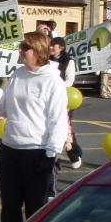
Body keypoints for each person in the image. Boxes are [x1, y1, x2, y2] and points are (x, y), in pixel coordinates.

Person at [0, 32, 68, 222]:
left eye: (25, 47)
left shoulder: (52, 81)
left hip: (36, 152)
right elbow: (5, 109)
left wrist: (51, 153)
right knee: (9, 208)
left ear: (38, 51)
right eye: (21, 47)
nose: (21, 51)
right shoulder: (17, 75)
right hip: (11, 148)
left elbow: (58, 120)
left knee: (34, 210)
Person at [49, 37, 82, 171]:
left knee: (65, 127)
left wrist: (58, 86)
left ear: (61, 48)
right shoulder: (47, 60)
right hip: (49, 97)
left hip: (64, 98)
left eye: (53, 46)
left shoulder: (68, 61)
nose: (50, 48)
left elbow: (70, 80)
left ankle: (74, 155)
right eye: (50, 46)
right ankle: (52, 157)